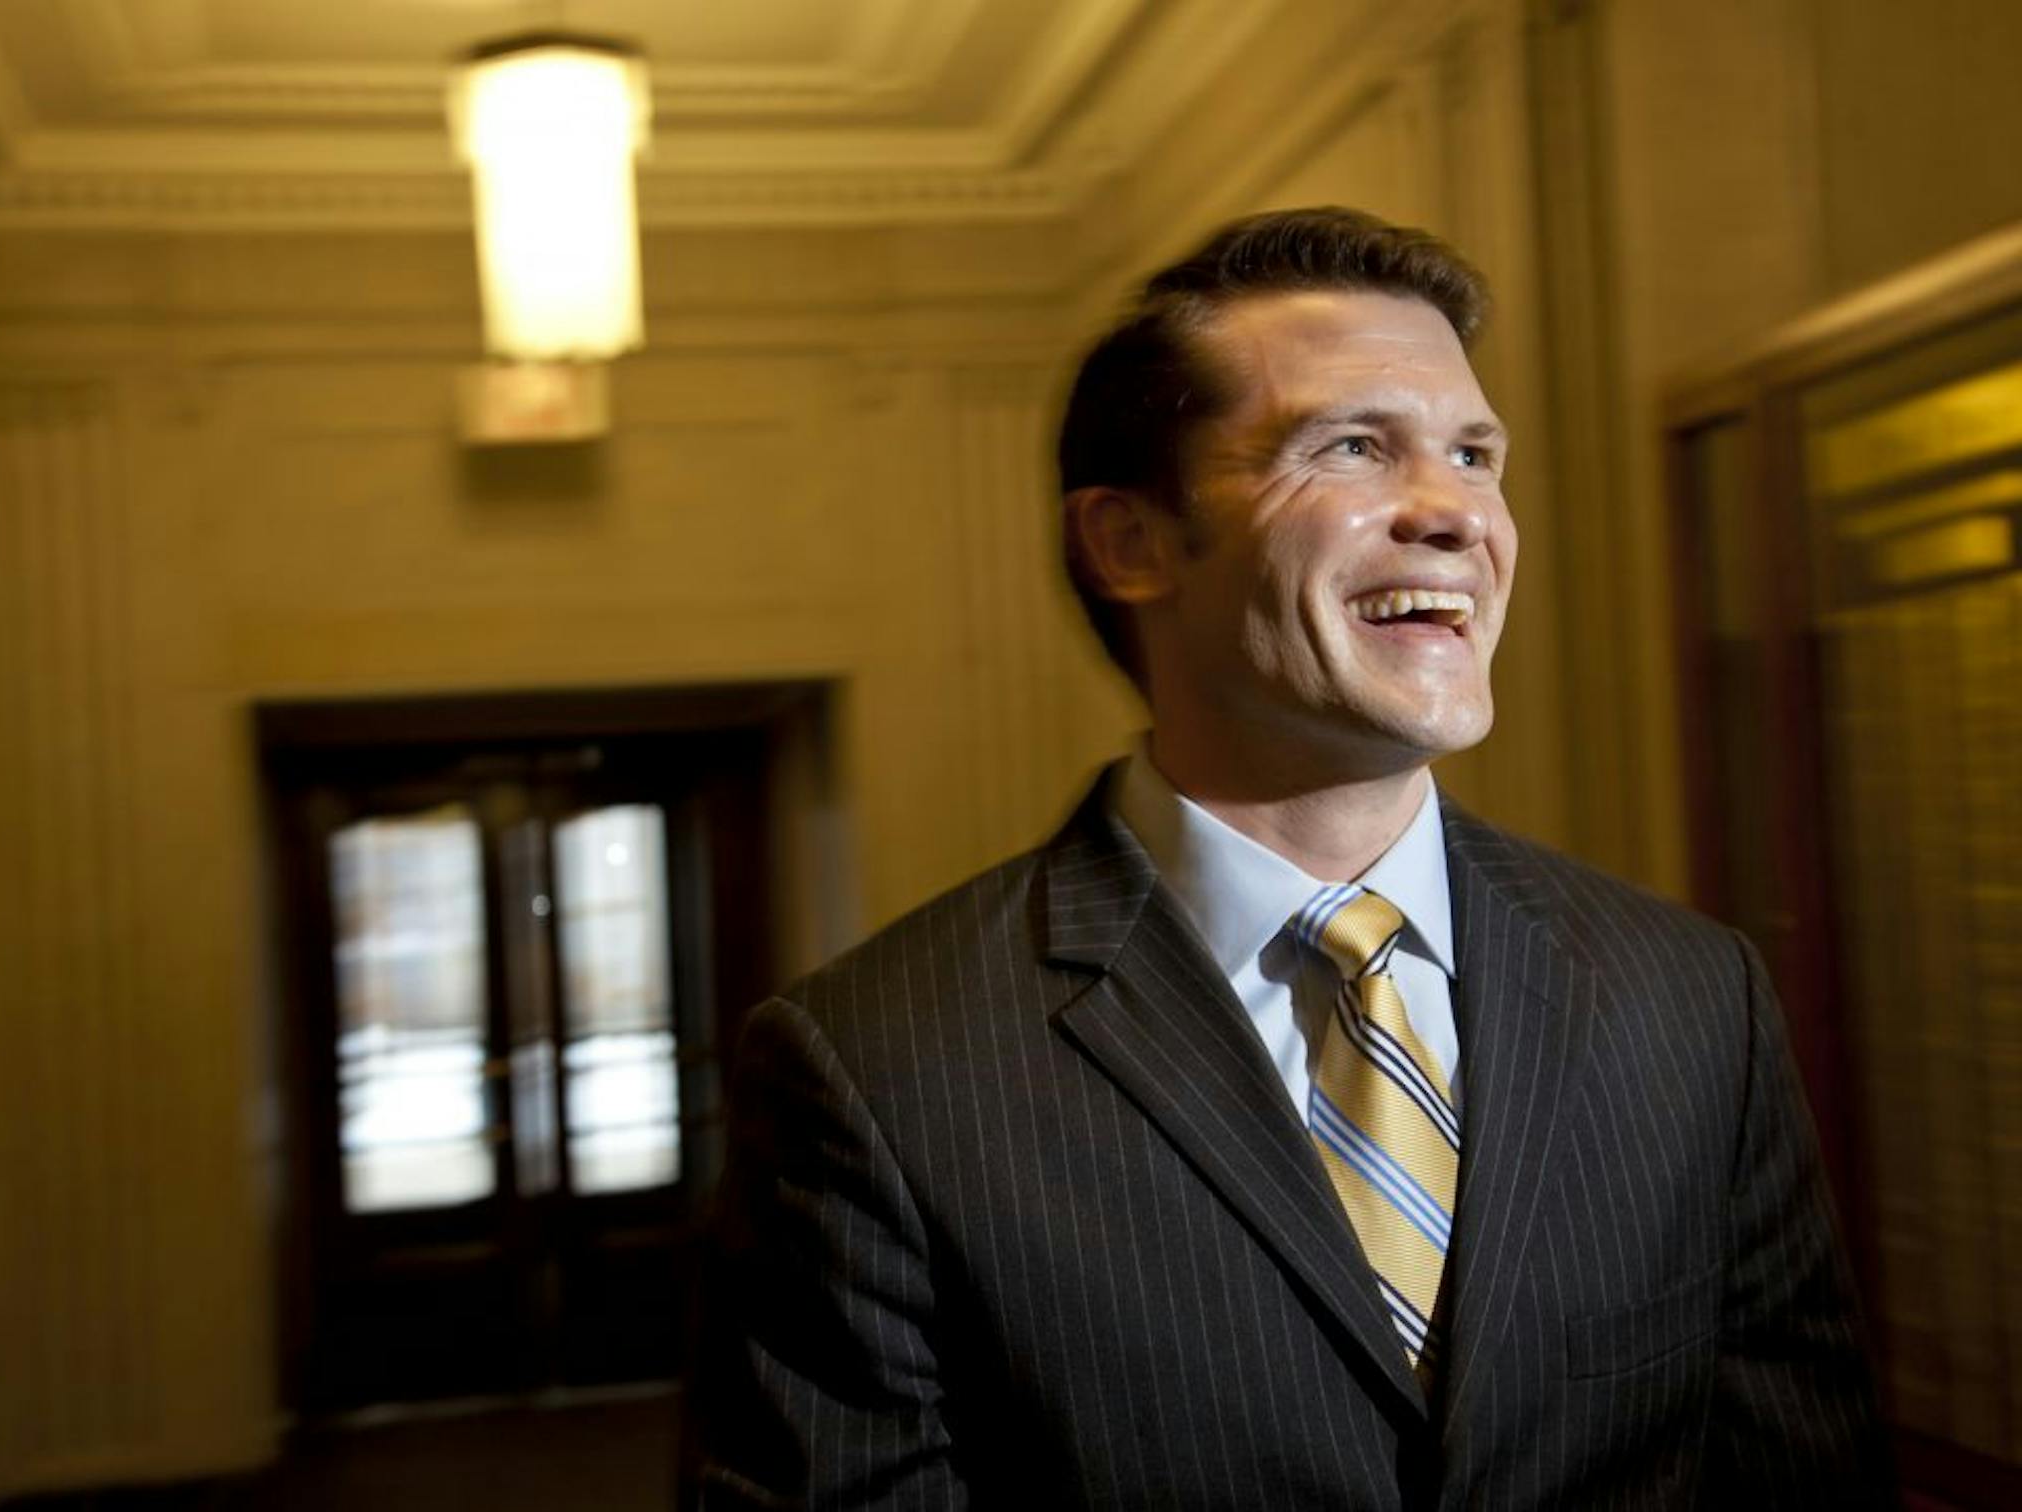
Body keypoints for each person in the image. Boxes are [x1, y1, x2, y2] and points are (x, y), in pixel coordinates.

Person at [691, 207, 1892, 1508]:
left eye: (1477, 455)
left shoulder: (1690, 996)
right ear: (1130, 542)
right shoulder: (877, 1066)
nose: (1453, 512)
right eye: (1356, 447)